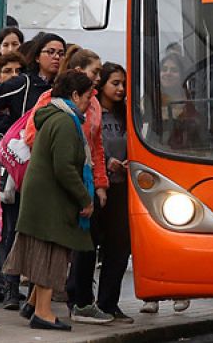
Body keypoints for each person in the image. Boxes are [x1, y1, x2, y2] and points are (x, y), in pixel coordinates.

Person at [5, 71, 97, 331]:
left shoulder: (53, 116)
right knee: (52, 254)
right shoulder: (67, 123)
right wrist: (84, 199)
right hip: (51, 200)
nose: (89, 103)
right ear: (75, 95)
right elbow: (65, 168)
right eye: (88, 96)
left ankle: (33, 304)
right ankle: (44, 314)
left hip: (40, 196)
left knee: (43, 250)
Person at [0, 32, 65, 309]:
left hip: (50, 169)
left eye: (60, 52)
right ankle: (9, 288)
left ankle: (34, 293)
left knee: (39, 230)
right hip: (20, 166)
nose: (56, 57)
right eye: (50, 51)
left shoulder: (63, 87)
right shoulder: (25, 82)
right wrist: (10, 127)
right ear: (38, 55)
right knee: (13, 227)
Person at [75, 63, 132, 323]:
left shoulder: (129, 115)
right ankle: (82, 299)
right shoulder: (92, 112)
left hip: (122, 187)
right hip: (96, 188)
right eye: (115, 83)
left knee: (119, 247)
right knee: (88, 246)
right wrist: (107, 161)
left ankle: (109, 302)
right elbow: (88, 145)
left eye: (123, 84)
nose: (120, 89)